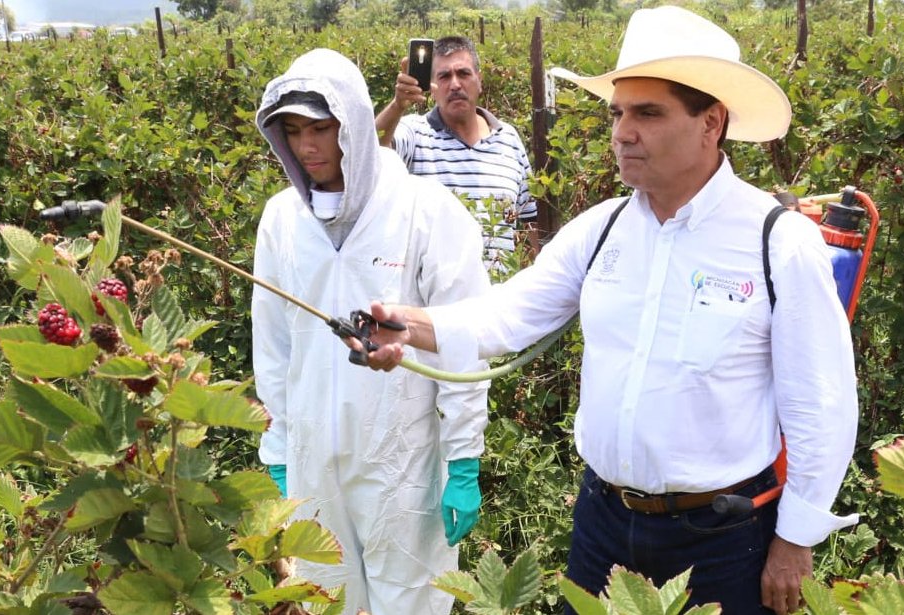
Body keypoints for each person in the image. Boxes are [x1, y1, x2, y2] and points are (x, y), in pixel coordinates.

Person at [354, 7, 859, 615]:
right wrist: (405, 326)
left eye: (648, 113)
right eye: (618, 112)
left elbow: (822, 406)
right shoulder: (603, 230)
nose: (622, 132)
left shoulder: (776, 242)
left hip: (725, 540)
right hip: (603, 526)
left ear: (711, 122)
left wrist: (795, 539)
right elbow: (505, 316)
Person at [252, 48, 490, 615]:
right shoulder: (282, 220)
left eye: (321, 128)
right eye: (292, 131)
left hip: (401, 460)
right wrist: (280, 448)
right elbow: (274, 343)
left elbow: (465, 336)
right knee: (321, 600)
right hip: (311, 459)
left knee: (410, 604)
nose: (307, 147)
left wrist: (463, 457)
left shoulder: (426, 213)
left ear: (354, 125)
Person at [375, 35, 540, 272]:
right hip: (431, 301)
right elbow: (372, 150)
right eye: (443, 76)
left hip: (498, 297)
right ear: (431, 87)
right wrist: (397, 105)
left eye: (463, 74)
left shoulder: (508, 138)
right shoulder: (415, 132)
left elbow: (528, 222)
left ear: (479, 81)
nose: (454, 85)